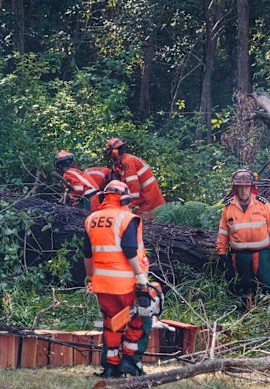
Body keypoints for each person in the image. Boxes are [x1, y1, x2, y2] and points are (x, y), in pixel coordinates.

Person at [83, 180, 150, 377]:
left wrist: (89, 276)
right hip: (126, 283)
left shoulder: (91, 219)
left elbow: (87, 253)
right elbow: (129, 249)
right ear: (124, 198)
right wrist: (140, 278)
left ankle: (111, 366)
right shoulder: (127, 218)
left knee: (112, 322)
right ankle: (130, 360)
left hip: (102, 284)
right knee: (143, 314)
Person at [216, 169, 270, 297]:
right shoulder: (229, 207)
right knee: (244, 285)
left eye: (246, 187)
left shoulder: (262, 204)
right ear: (235, 188)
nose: (243, 191)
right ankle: (246, 310)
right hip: (240, 255)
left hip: (262, 253)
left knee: (269, 282)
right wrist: (221, 252)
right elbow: (223, 232)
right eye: (240, 188)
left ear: (251, 187)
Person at [103, 138, 165, 217]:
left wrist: (131, 205)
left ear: (115, 152)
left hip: (147, 199)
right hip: (145, 198)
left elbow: (133, 185)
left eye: (111, 154)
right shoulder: (122, 163)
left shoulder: (127, 162)